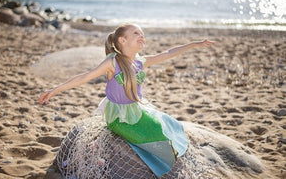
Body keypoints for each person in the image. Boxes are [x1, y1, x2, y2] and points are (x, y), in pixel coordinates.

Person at [39, 23, 215, 177]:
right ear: (122, 40)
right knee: (156, 132)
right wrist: (55, 90)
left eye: (142, 34)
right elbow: (84, 77)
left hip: (136, 108)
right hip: (119, 116)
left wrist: (195, 44)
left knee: (169, 124)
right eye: (136, 33)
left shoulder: (140, 62)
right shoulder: (113, 62)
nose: (142, 36)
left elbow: (168, 53)